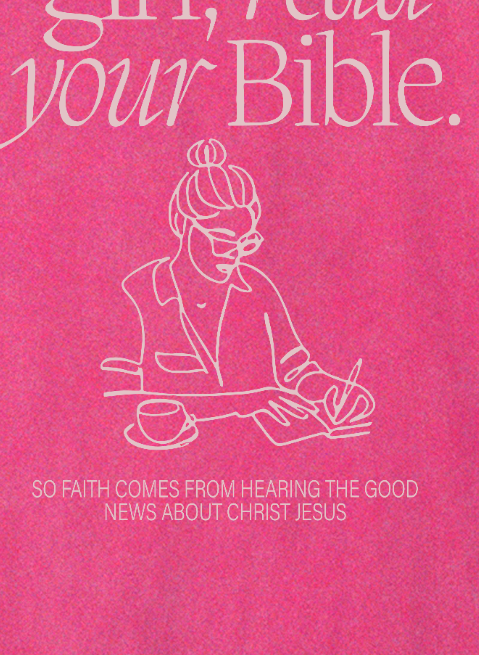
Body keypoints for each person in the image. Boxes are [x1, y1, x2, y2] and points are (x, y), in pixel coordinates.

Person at [102, 140, 375, 448]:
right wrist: (241, 402)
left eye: (246, 243)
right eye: (222, 240)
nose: (234, 255)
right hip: (171, 459)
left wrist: (334, 392)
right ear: (182, 224)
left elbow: (295, 369)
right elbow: (118, 398)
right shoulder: (137, 293)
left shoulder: (257, 288)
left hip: (261, 460)